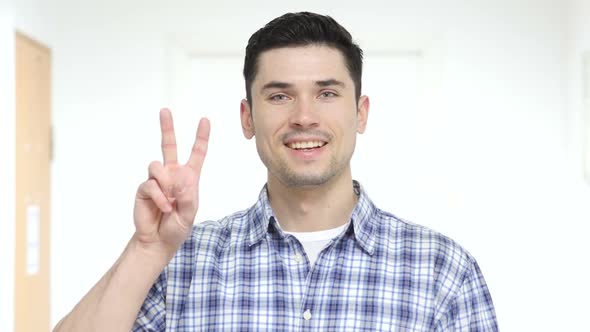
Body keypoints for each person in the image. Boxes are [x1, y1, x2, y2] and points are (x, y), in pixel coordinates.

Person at [54, 12, 498, 331]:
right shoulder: (184, 262)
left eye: (326, 93)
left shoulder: (442, 270)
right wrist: (148, 249)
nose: (304, 117)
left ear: (360, 113)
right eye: (280, 96)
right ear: (247, 118)